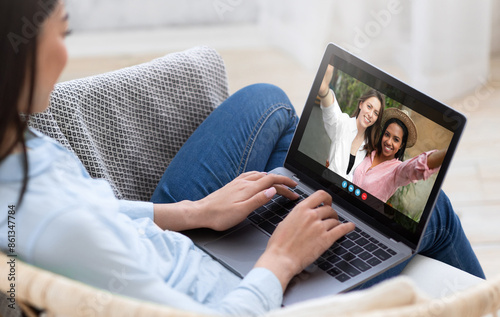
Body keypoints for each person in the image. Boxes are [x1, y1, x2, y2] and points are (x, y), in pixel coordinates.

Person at [0, 1, 485, 316]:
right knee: (430, 215)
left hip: (181, 238)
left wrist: (194, 212)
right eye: (61, 31)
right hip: (240, 293)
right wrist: (280, 258)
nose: (67, 50)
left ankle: (282, 205)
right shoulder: (56, 222)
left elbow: (94, 213)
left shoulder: (19, 149)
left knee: (270, 111)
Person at [352, 108, 446, 203]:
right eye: (387, 135)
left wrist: (446, 154)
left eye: (396, 139)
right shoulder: (368, 150)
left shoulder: (397, 170)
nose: (389, 142)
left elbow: (417, 165)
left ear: (401, 145)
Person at [318, 65, 385, 181]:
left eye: (376, 113)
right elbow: (332, 113)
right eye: (369, 107)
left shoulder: (369, 146)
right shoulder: (344, 124)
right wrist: (324, 91)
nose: (370, 114)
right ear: (361, 104)